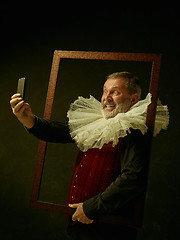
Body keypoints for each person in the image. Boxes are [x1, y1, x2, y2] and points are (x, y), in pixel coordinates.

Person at [10, 72, 167, 240]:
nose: (107, 98)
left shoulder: (133, 129)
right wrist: (28, 119)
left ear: (133, 99)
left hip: (108, 230)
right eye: (105, 91)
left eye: (115, 92)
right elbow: (60, 131)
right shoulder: (97, 122)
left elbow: (134, 178)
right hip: (80, 223)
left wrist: (92, 208)